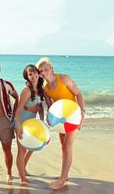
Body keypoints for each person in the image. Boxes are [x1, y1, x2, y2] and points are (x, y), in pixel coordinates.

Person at [36, 57, 85, 190]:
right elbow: (50, 106)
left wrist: (82, 112)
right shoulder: (45, 87)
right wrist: (50, 118)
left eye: (46, 69)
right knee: (63, 147)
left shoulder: (64, 79)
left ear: (51, 68)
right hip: (61, 119)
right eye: (41, 71)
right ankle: (65, 174)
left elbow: (78, 94)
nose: (44, 72)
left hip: (73, 116)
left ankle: (62, 179)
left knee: (68, 147)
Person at [14, 64, 44, 184]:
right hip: (21, 122)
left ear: (38, 73)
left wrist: (42, 121)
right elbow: (18, 109)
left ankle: (23, 169)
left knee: (32, 146)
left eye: (34, 72)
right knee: (21, 151)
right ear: (26, 77)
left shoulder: (41, 89)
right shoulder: (26, 91)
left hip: (32, 123)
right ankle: (22, 178)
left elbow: (40, 108)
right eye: (29, 74)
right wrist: (18, 125)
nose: (33, 75)